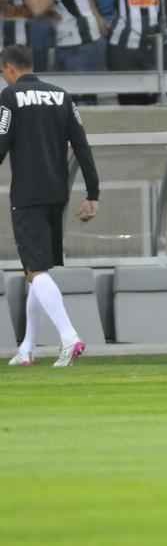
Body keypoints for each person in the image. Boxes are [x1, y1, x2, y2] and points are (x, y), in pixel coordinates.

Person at [1, 45, 100, 368]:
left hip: (27, 195)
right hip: (58, 193)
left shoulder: (10, 97)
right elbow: (82, 146)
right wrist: (93, 193)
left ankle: (69, 337)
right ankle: (27, 348)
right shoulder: (61, 96)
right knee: (36, 269)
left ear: (10, 69)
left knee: (36, 269)